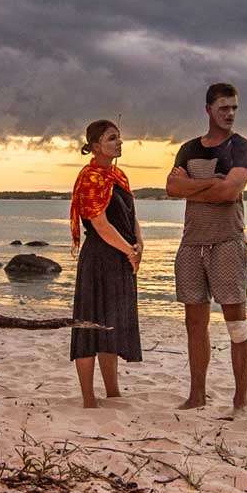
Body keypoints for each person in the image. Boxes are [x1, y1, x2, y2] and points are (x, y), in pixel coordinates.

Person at [165, 82, 247, 412]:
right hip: (192, 244)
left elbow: (230, 193)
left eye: (233, 108)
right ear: (208, 110)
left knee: (236, 323)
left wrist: (193, 188)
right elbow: (171, 187)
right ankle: (197, 394)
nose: (229, 113)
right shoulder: (189, 149)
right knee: (194, 324)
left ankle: (240, 399)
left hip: (228, 243)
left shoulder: (241, 148)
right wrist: (209, 183)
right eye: (223, 108)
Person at [67, 119, 143, 407]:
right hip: (99, 258)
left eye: (119, 138)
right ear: (96, 146)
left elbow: (130, 214)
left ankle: (113, 391)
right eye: (112, 138)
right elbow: (99, 223)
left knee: (111, 325)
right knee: (89, 326)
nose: (119, 142)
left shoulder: (118, 176)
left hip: (120, 257)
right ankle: (89, 398)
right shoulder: (90, 177)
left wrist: (139, 244)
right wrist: (129, 251)